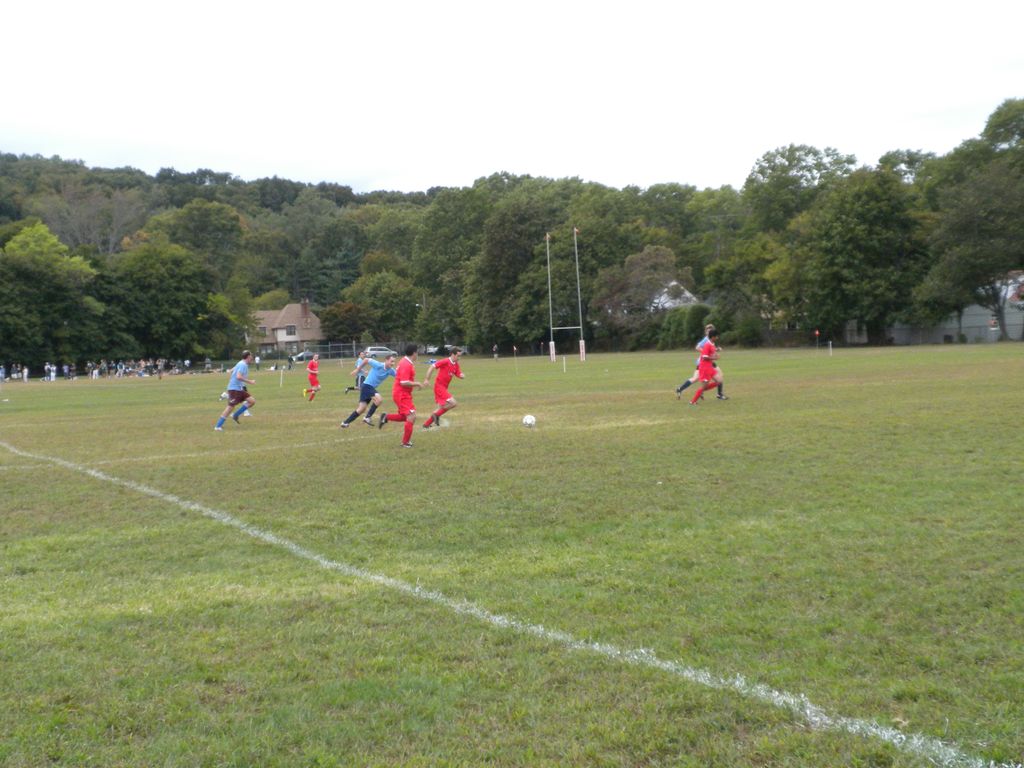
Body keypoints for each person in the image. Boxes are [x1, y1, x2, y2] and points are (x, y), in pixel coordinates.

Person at [378, 343, 423, 447]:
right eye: (417, 352)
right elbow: (403, 382)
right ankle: (405, 442)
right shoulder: (406, 364)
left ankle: (386, 417)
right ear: (414, 353)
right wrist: (417, 383)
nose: (418, 354)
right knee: (411, 416)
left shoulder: (406, 361)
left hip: (403, 393)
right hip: (401, 394)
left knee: (405, 416)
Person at [339, 353, 396, 428]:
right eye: (391, 361)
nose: (393, 363)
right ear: (386, 360)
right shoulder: (378, 365)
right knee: (379, 399)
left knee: (361, 409)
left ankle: (345, 423)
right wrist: (357, 370)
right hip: (367, 386)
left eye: (394, 362)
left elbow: (399, 376)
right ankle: (367, 417)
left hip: (368, 388)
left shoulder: (391, 370)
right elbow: (366, 360)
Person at [675, 324, 728, 401]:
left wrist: (716, 349)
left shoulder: (711, 340)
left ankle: (680, 389)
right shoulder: (706, 339)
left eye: (710, 330)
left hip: (707, 362)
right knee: (699, 378)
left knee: (716, 376)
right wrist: (705, 353)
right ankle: (717, 394)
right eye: (707, 331)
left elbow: (711, 350)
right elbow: (697, 347)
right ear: (706, 332)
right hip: (704, 362)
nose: (709, 332)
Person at [421, 346, 464, 429]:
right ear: (453, 354)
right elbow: (432, 366)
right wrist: (426, 379)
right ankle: (436, 415)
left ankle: (426, 424)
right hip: (439, 387)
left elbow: (458, 373)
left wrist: (461, 375)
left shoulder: (456, 364)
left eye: (460, 356)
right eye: (458, 356)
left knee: (441, 408)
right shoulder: (445, 361)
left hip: (444, 387)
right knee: (453, 403)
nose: (459, 358)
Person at [215, 351, 256, 430]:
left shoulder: (241, 363)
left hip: (239, 388)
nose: (252, 358)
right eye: (251, 356)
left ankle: (235, 415)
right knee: (230, 407)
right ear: (248, 357)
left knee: (252, 401)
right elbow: (238, 376)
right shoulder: (243, 364)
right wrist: (250, 381)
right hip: (234, 389)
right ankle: (218, 426)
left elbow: (231, 371)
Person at [689, 330, 724, 405]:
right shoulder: (707, 344)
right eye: (716, 336)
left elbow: (712, 352)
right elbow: (704, 357)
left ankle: (701, 391)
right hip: (704, 368)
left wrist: (716, 351)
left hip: (710, 367)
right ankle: (693, 401)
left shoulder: (712, 344)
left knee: (719, 381)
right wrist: (715, 358)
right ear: (713, 337)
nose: (717, 337)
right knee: (704, 386)